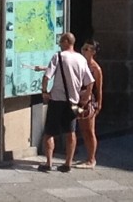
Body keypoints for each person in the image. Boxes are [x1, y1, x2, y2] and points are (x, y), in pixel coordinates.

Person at [39, 32, 94, 173]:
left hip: (57, 99)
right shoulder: (81, 59)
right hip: (73, 102)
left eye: (60, 41)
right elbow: (90, 81)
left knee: (49, 132)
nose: (59, 43)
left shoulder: (58, 57)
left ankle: (49, 162)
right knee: (71, 132)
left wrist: (44, 91)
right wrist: (86, 96)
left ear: (65, 42)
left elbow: (46, 77)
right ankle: (67, 163)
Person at [76, 39, 103, 168]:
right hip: (78, 99)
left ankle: (91, 159)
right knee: (82, 128)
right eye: (83, 48)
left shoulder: (95, 68)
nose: (84, 51)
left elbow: (99, 88)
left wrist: (99, 103)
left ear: (93, 52)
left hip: (89, 101)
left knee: (90, 129)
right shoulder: (80, 64)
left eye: (87, 49)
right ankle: (87, 156)